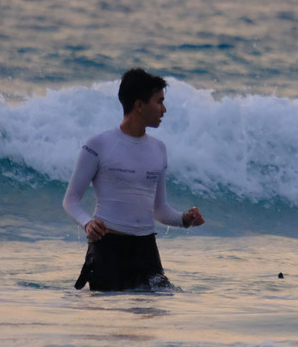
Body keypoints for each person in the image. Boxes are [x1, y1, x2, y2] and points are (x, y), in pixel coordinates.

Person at [63, 68, 205, 291]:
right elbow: (71, 199)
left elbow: (159, 209)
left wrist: (184, 219)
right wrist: (87, 223)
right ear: (139, 105)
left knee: (158, 312)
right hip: (107, 248)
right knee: (110, 318)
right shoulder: (98, 145)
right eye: (159, 102)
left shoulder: (159, 149)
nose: (164, 109)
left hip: (146, 249)